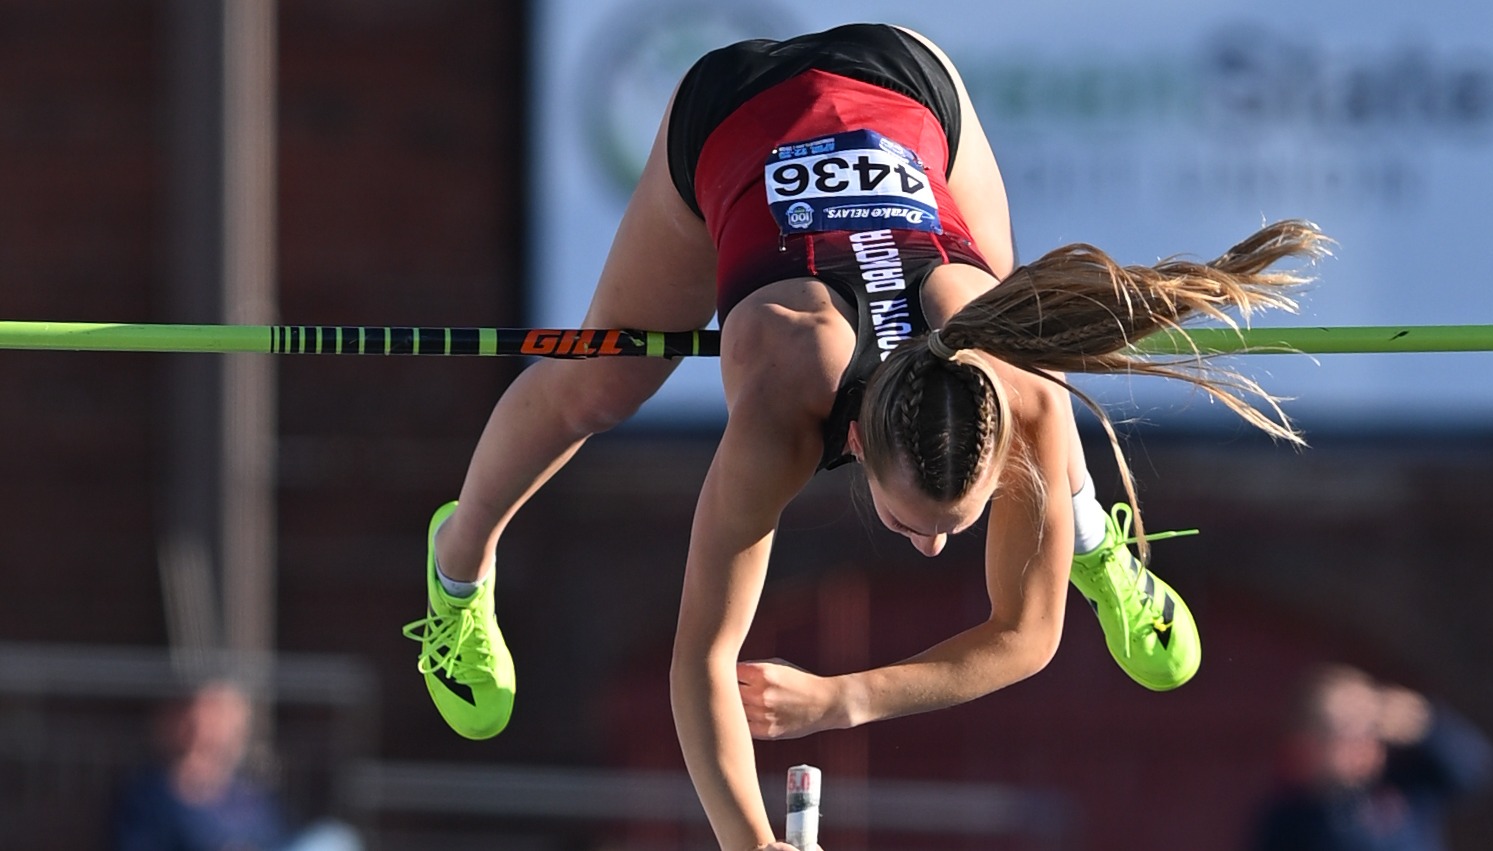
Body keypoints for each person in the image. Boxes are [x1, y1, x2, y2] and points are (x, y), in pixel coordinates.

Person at [401, 23, 1328, 851]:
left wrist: (844, 697)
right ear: (855, 446)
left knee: (1024, 353)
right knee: (597, 381)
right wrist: (749, 842)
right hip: (729, 112)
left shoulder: (1010, 385)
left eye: (952, 523)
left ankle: (1089, 540)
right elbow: (701, 661)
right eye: (919, 520)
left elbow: (1024, 637)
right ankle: (455, 567)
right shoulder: (778, 408)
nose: (932, 544)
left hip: (908, 82)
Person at [1249, 664, 1493, 851]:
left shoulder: (1404, 783)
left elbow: (1477, 772)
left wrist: (1428, 725)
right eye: (1347, 730)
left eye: (1371, 726)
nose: (1364, 740)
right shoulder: (1290, 816)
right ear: (1308, 744)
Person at [110, 679, 364, 851]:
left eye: (226, 724)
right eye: (204, 721)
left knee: (336, 838)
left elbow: (276, 838)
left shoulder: (247, 793)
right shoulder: (149, 793)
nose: (212, 732)